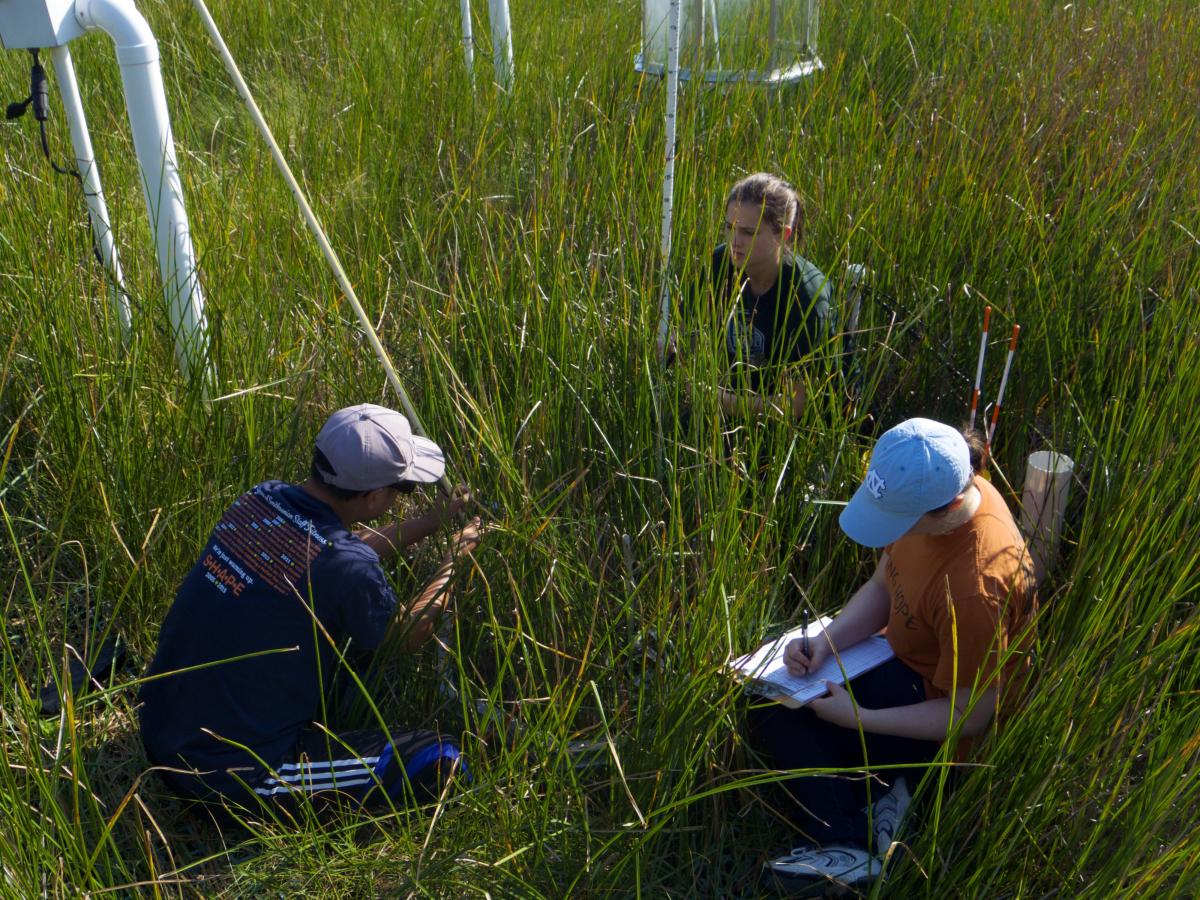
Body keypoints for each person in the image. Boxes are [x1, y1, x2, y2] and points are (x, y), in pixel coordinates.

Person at [139, 403, 480, 814]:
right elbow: (406, 635)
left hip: (158, 725)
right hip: (227, 775)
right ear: (373, 496)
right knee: (438, 758)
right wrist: (457, 559)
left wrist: (432, 522)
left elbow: (335, 557)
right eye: (402, 488)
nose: (399, 496)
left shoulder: (260, 500)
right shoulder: (343, 567)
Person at [749, 418, 1037, 892]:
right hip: (898, 661)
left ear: (943, 509)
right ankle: (886, 800)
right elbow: (885, 584)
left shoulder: (973, 589)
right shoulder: (941, 491)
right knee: (770, 694)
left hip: (941, 730)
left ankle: (850, 847)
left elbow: (972, 715)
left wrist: (858, 719)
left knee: (782, 717)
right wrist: (827, 644)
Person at [660, 172, 834, 420]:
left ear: (782, 235)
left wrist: (720, 401)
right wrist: (669, 344)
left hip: (788, 431)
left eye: (748, 232)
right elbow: (684, 326)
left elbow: (799, 404)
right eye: (730, 228)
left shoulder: (807, 296)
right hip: (727, 402)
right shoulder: (721, 262)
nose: (735, 241)